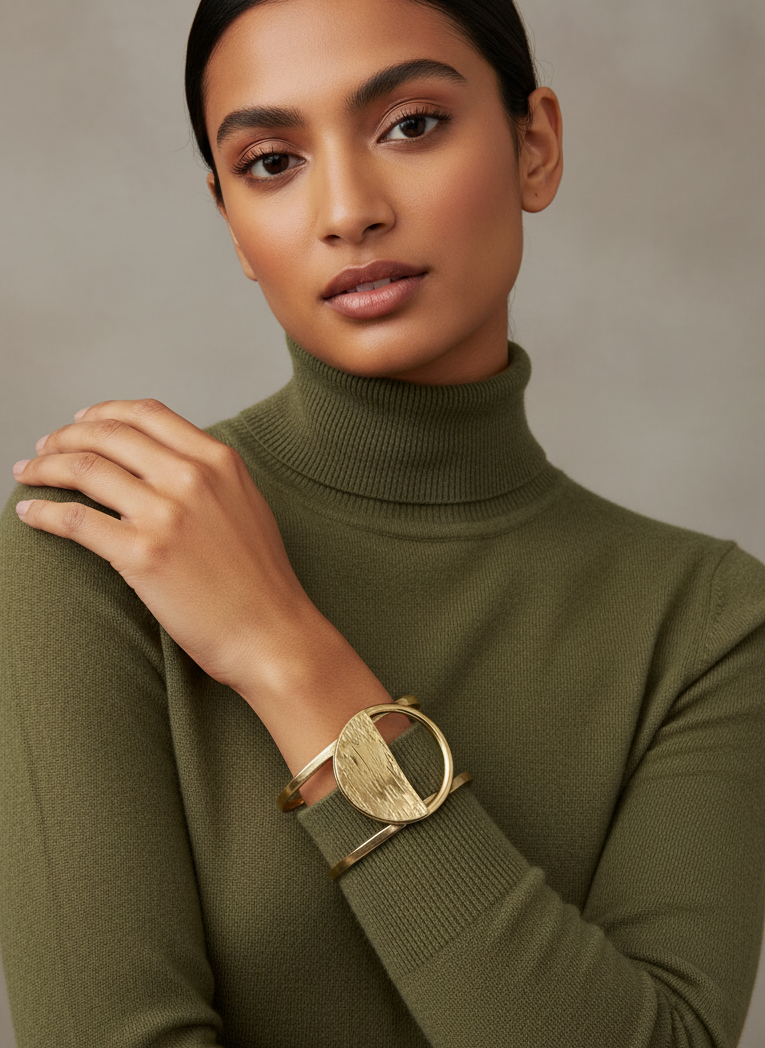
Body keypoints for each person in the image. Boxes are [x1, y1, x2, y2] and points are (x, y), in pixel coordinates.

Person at [1, 0, 763, 1045]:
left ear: (534, 147)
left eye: (409, 125)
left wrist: (285, 652)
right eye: (272, 160)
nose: (348, 209)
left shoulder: (712, 623)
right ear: (230, 219)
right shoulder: (108, 541)